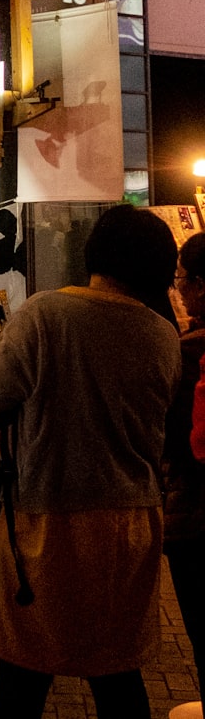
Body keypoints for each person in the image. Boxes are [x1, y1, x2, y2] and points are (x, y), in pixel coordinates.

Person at [0, 204, 182, 719]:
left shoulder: (47, 314)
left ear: (94, 252)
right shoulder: (162, 335)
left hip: (50, 518)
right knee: (116, 673)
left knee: (24, 672)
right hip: (133, 521)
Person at [164, 232, 205, 710]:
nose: (178, 290)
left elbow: (179, 441)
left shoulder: (188, 351)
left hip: (195, 511)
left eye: (181, 280)